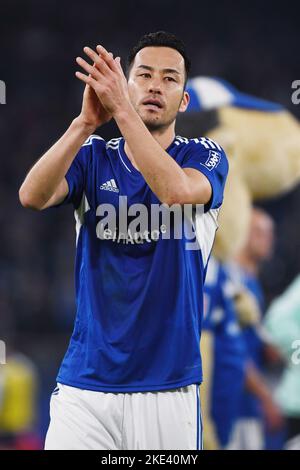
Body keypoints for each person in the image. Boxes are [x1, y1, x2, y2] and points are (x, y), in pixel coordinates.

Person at [19, 31, 228, 450]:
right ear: (126, 87)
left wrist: (121, 111)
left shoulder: (204, 156)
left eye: (170, 79)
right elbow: (32, 195)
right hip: (86, 385)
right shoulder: (93, 157)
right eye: (144, 75)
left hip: (167, 386)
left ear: (183, 101)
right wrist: (84, 124)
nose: (155, 86)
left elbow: (176, 193)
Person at [227, 208, 283, 450]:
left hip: (249, 404)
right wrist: (266, 397)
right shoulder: (232, 282)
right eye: (259, 232)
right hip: (235, 405)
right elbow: (234, 350)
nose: (267, 238)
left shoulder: (251, 282)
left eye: (270, 233)